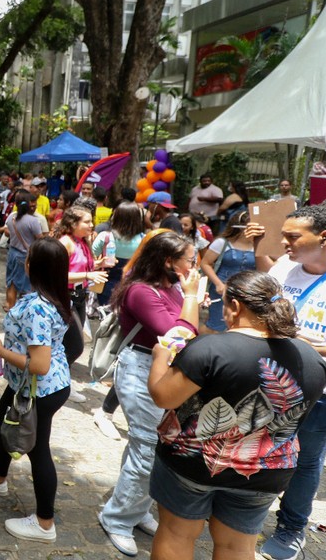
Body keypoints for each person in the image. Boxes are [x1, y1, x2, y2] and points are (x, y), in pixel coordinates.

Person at [147, 271, 326, 560]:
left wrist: (160, 358)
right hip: (265, 471)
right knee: (238, 547)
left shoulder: (209, 348)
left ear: (234, 306)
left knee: (176, 533)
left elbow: (163, 397)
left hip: (194, 463)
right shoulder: (311, 358)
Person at [98, 231, 202, 557]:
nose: (194, 266)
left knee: (147, 447)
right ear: (169, 260)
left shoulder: (170, 287)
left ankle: (134, 508)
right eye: (189, 260)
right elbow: (180, 336)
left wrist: (189, 298)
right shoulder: (142, 291)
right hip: (141, 369)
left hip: (162, 370)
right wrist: (193, 298)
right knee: (147, 450)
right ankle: (117, 518)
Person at [0, 238, 73, 542]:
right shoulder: (50, 294)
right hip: (28, 384)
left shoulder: (40, 307)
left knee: (37, 450)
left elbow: (39, 364)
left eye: (28, 258)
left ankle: (44, 523)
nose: (23, 261)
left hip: (40, 387)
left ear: (33, 267)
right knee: (0, 418)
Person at [248, 201, 326, 560]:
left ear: (325, 238)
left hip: (324, 393)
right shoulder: (286, 266)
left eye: (292, 237)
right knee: (257, 446)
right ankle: (244, 512)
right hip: (272, 380)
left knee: (305, 460)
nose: (283, 244)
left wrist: (318, 349)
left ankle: (291, 528)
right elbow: (264, 307)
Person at [56, 205, 108, 366]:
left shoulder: (83, 241)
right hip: (65, 297)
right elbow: (58, 275)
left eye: (91, 221)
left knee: (67, 342)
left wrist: (97, 265)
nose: (91, 225)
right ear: (73, 224)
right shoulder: (65, 243)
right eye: (87, 222)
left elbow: (79, 266)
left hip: (80, 297)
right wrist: (88, 275)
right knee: (75, 347)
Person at [200, 211, 255, 333]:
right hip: (221, 289)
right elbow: (205, 263)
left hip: (247, 291)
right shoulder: (222, 243)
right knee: (216, 323)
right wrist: (218, 283)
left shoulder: (258, 245)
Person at [2, 190, 44, 311]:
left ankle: (10, 307)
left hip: (12, 252)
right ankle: (22, 312)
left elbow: (8, 232)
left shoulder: (11, 217)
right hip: (25, 255)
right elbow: (40, 239)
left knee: (11, 283)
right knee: (26, 287)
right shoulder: (33, 221)